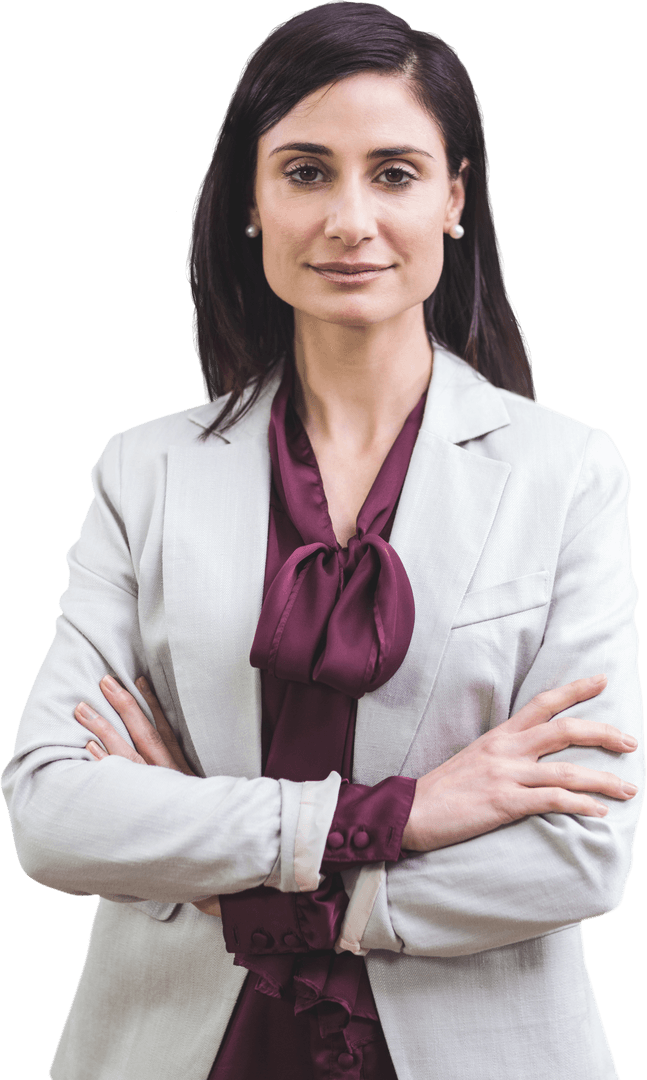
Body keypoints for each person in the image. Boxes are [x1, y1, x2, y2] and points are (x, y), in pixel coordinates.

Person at [2, 3, 643, 1078]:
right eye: (305, 172)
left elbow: (579, 853)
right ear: (249, 203)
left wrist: (244, 884)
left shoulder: (566, 471)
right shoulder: (143, 471)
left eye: (393, 173)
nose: (350, 219)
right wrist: (403, 815)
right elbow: (54, 815)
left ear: (454, 197)